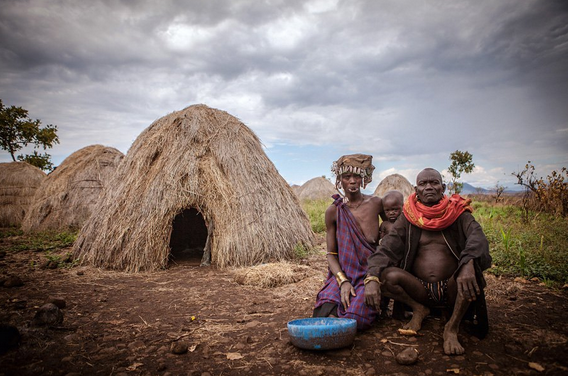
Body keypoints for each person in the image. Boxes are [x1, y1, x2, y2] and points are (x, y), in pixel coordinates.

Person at [364, 168, 491, 355]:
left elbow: (477, 238)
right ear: (416, 189)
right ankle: (419, 309)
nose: (429, 187)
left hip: (453, 287)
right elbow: (387, 248)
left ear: (443, 187)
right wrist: (372, 277)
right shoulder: (408, 217)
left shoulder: (458, 214)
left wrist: (468, 262)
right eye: (423, 184)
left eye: (434, 183)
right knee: (384, 276)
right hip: (419, 289)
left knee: (471, 274)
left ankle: (452, 327)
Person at [313, 154, 384, 330]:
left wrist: (376, 275)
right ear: (339, 180)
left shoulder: (376, 204)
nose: (352, 181)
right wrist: (342, 281)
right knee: (324, 309)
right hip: (343, 274)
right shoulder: (333, 212)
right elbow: (331, 254)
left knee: (353, 317)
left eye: (356, 176)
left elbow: (393, 234)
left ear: (363, 179)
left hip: (368, 274)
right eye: (347, 177)